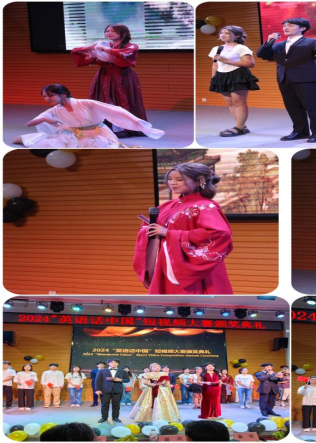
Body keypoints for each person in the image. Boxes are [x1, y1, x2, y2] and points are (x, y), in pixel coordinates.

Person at [134, 163, 234, 294]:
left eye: (179, 179)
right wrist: (149, 230)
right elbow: (146, 228)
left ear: (198, 182)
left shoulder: (205, 206)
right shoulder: (166, 206)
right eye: (170, 179)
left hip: (191, 269)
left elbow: (219, 233)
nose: (172, 183)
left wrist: (169, 233)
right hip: (166, 262)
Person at [13, 84, 164, 147]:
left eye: (50, 96)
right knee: (48, 144)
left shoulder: (86, 103)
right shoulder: (54, 110)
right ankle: (27, 138)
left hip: (98, 132)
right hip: (73, 133)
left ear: (63, 94)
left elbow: (116, 110)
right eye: (45, 97)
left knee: (100, 146)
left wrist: (137, 122)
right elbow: (30, 123)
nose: (47, 99)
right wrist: (46, 119)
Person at [257, 17, 316, 143]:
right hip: (284, 78)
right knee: (292, 107)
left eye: (290, 25)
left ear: (302, 28)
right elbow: (262, 54)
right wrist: (270, 41)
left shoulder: (310, 42)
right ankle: (300, 131)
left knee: (312, 106)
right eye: (284, 26)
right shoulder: (278, 45)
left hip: (305, 78)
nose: (286, 28)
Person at [71, 24, 148, 138]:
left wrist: (106, 50)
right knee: (104, 102)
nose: (109, 33)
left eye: (113, 31)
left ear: (123, 33)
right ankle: (107, 127)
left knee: (123, 101)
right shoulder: (101, 45)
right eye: (107, 31)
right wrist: (90, 47)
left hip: (122, 76)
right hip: (104, 76)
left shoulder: (131, 46)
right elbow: (77, 52)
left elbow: (123, 54)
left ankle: (125, 128)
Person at [209, 26, 259, 137]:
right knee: (230, 103)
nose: (223, 35)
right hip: (221, 76)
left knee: (239, 103)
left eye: (227, 33)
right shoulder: (217, 48)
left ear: (237, 35)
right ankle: (241, 126)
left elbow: (250, 64)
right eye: (221, 32)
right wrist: (213, 78)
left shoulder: (241, 48)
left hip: (238, 75)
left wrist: (226, 60)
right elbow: (215, 64)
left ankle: (239, 128)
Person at [95, 358, 130, 423]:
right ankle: (104, 418)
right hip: (105, 390)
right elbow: (97, 381)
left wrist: (120, 380)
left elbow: (127, 380)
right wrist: (97, 389)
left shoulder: (122, 371)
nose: (114, 364)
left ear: (118, 364)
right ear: (108, 363)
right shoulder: (102, 371)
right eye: (112, 362)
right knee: (104, 405)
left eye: (115, 362)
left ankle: (115, 417)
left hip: (117, 390)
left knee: (116, 405)